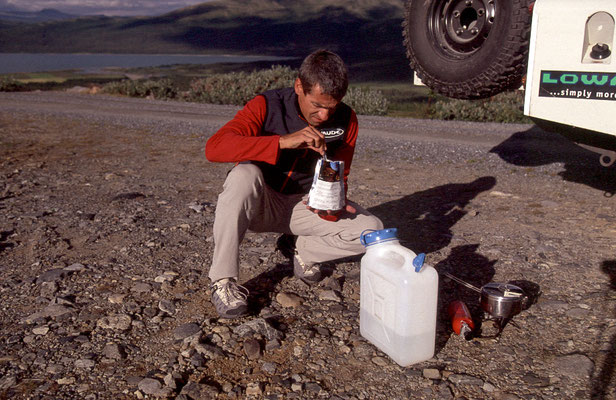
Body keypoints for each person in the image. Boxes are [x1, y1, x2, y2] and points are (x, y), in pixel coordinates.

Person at [205, 49, 383, 318]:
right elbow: (214, 148)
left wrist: (334, 204)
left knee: (373, 231)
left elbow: (340, 174)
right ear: (299, 86)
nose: (324, 115)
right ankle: (223, 281)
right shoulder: (267, 105)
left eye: (331, 107)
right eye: (317, 105)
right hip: (259, 203)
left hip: (304, 206)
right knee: (244, 175)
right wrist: (281, 142)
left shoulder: (347, 119)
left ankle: (304, 250)